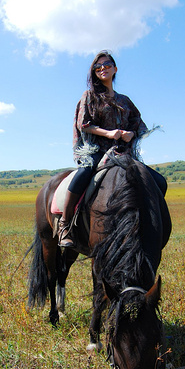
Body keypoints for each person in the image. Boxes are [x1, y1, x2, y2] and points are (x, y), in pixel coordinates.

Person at [58, 50, 166, 247]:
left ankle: (148, 226)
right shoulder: (90, 96)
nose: (102, 68)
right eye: (98, 67)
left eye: (107, 65)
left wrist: (130, 134)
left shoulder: (124, 100)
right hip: (96, 151)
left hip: (122, 154)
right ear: (94, 72)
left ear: (115, 69)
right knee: (84, 174)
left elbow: (138, 123)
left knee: (159, 181)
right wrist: (109, 133)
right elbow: (84, 124)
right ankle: (65, 224)